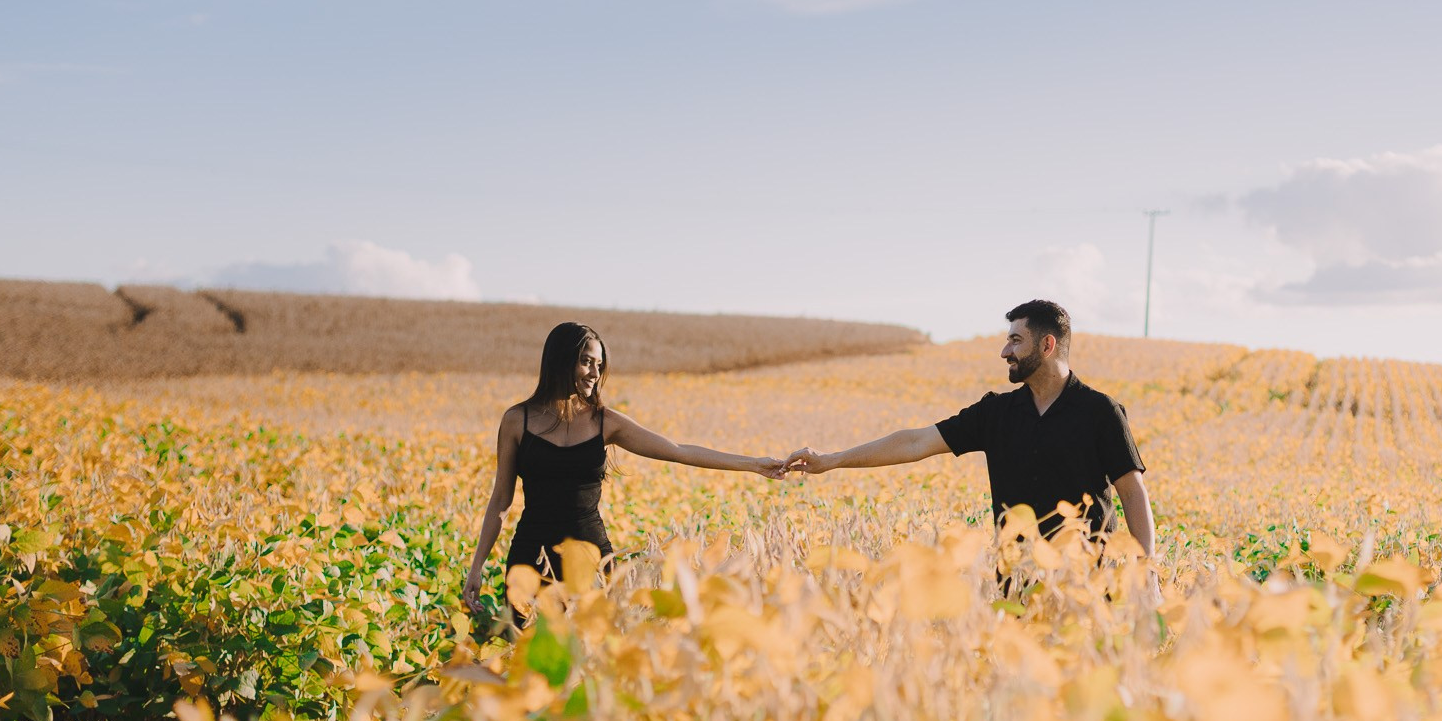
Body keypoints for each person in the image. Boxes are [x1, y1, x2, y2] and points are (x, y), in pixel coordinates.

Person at [787, 299, 1154, 555]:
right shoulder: (995, 412)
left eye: (1015, 340)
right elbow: (914, 443)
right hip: (1015, 585)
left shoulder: (1100, 412)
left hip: (1087, 587)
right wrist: (831, 460)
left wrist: (1147, 571)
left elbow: (1132, 492)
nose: (1004, 352)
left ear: (1047, 345)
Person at [463, 321, 789, 609]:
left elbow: (678, 450)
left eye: (599, 364)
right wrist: (476, 567)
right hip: (529, 559)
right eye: (586, 362)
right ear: (560, 361)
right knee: (524, 660)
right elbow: (500, 501)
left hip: (592, 558)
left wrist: (755, 465)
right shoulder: (516, 421)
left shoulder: (606, 422)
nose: (595, 372)